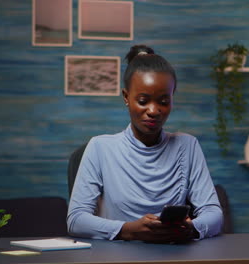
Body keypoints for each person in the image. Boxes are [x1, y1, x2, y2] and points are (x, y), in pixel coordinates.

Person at [67, 45, 223, 243]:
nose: (153, 110)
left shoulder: (187, 146)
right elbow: (76, 220)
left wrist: (191, 228)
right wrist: (129, 230)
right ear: (126, 97)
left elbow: (214, 214)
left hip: (173, 255)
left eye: (163, 101)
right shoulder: (100, 147)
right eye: (143, 100)